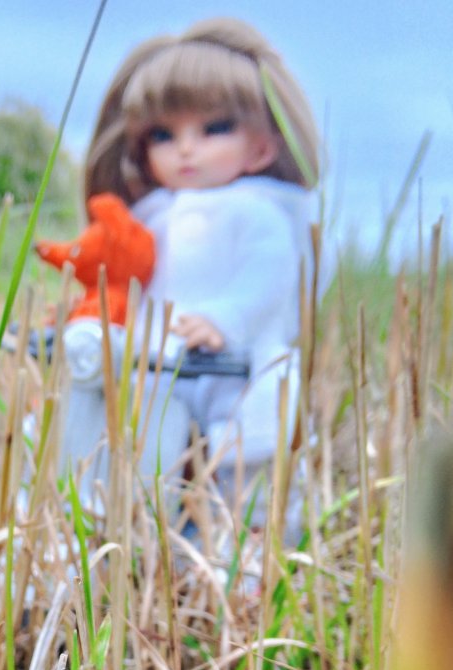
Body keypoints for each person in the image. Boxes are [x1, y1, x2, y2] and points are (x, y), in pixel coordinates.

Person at [57, 17, 321, 536]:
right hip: (158, 361)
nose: (186, 148)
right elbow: (132, 275)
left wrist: (225, 319)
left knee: (240, 456)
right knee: (146, 444)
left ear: (263, 147)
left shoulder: (258, 212)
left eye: (215, 128)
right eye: (163, 134)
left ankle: (243, 547)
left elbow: (269, 279)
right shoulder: (151, 214)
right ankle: (141, 533)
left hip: (231, 363)